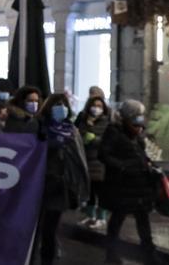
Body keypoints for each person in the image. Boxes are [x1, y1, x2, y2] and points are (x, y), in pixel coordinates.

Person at [99, 99, 161, 264]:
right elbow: (104, 155)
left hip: (140, 184)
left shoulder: (137, 130)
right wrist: (122, 167)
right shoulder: (114, 131)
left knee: (143, 220)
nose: (139, 120)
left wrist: (150, 164)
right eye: (135, 116)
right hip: (122, 185)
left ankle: (149, 254)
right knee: (118, 219)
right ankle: (111, 254)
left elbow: (142, 152)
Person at [35, 93, 90, 265]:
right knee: (40, 228)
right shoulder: (40, 127)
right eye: (57, 104)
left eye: (64, 104)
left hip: (60, 186)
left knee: (50, 228)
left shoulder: (71, 131)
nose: (61, 107)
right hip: (41, 184)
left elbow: (79, 159)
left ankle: (47, 259)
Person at [76, 94, 111, 229]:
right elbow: (79, 135)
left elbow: (108, 140)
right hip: (86, 161)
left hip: (100, 162)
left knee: (100, 191)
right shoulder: (84, 121)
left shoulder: (106, 122)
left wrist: (95, 139)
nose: (96, 109)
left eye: (99, 106)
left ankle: (101, 217)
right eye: (94, 106)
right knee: (89, 191)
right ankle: (91, 216)